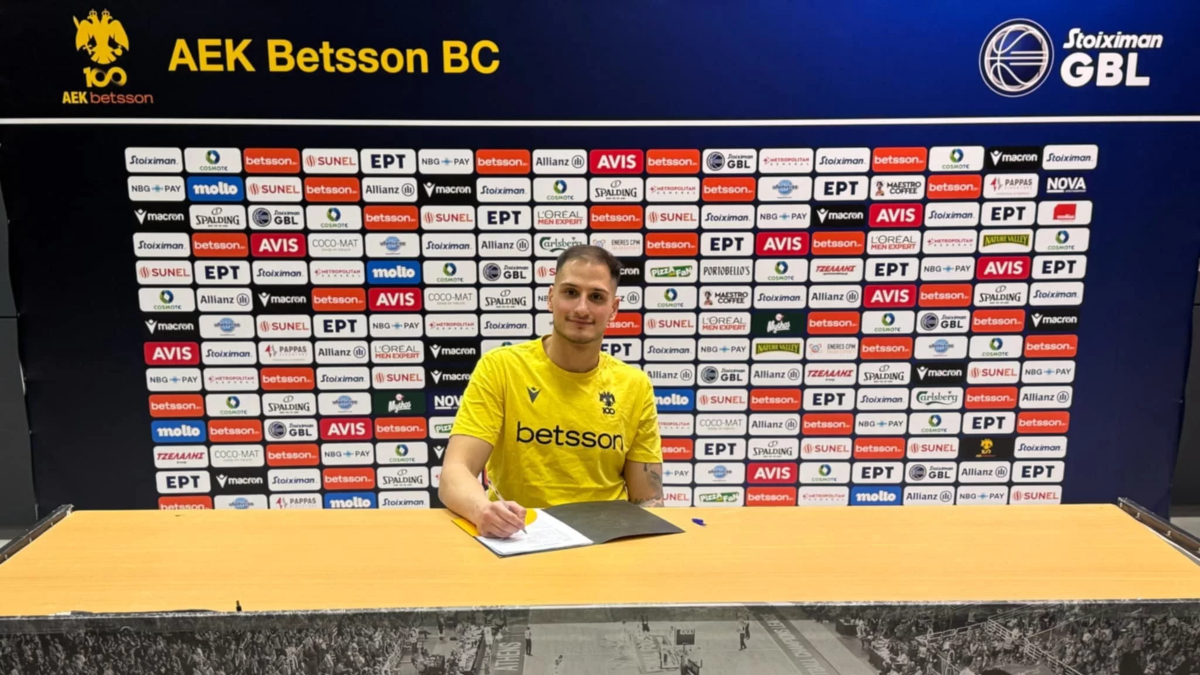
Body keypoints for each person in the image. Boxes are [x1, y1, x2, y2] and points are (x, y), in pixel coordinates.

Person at [440, 244, 664, 539]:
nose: (581, 308)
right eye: (570, 292)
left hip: (606, 543)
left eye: (596, 297)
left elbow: (648, 500)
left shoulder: (634, 384)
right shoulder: (501, 367)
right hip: (519, 539)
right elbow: (455, 471)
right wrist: (482, 510)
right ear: (550, 297)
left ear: (613, 309)